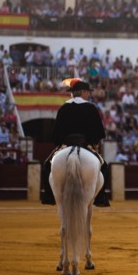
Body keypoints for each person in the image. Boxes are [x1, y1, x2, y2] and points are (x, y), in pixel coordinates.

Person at [39, 78, 110, 207]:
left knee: (47, 166)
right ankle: (100, 198)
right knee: (104, 167)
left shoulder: (64, 108)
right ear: (82, 92)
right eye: (88, 92)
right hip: (86, 145)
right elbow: (97, 132)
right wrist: (95, 146)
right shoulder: (91, 108)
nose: (89, 94)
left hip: (66, 145)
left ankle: (49, 196)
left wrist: (61, 144)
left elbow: (56, 134)